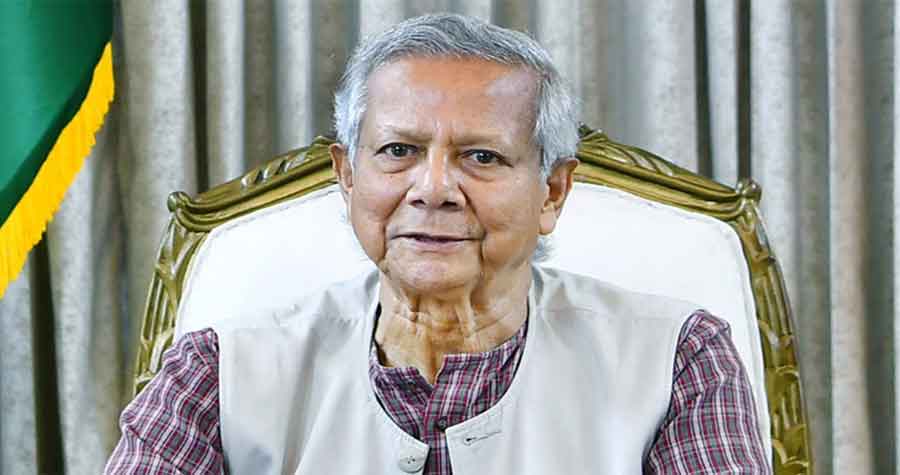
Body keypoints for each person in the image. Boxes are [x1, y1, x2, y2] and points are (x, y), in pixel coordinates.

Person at [105, 13, 769, 474]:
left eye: (481, 156)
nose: (433, 189)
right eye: (398, 150)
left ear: (552, 192)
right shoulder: (217, 372)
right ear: (347, 176)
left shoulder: (679, 360)